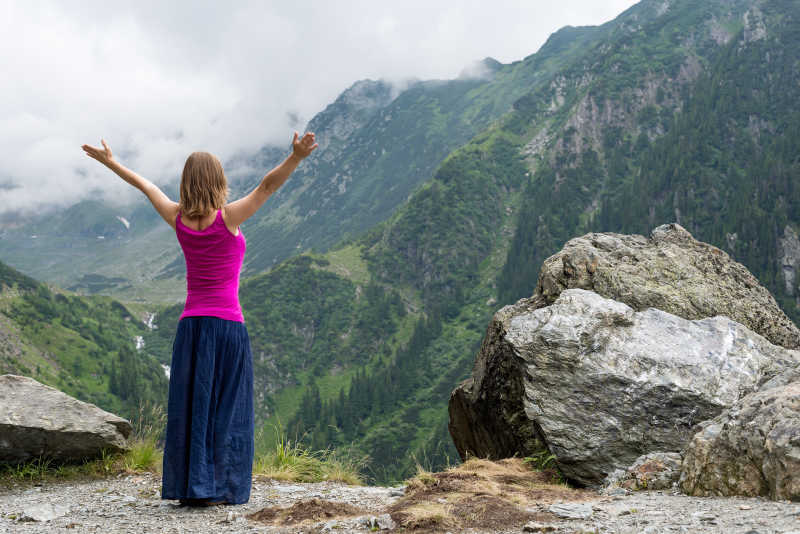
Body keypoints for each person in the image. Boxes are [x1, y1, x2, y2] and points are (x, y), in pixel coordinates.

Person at [81, 132, 318, 506]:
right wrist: (296, 158)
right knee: (229, 407)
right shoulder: (229, 218)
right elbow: (267, 187)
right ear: (218, 182)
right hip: (227, 328)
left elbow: (146, 187)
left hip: (191, 327)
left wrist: (111, 163)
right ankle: (223, 486)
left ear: (186, 183)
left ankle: (192, 486)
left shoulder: (176, 218)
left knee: (193, 406)